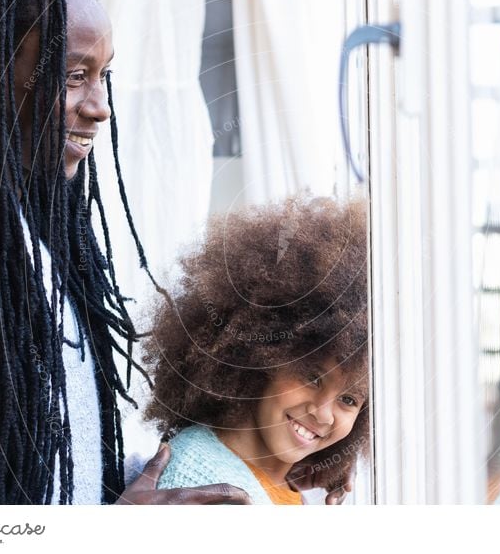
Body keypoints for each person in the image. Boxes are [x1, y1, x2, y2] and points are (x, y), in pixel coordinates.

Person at [0, 0, 253, 505]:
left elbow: (76, 463)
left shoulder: (23, 226)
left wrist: (270, 448)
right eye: (75, 76)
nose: (100, 106)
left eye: (104, 75)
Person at [143, 197, 369, 504]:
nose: (324, 413)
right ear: (261, 353)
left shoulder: (278, 487)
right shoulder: (204, 483)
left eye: (349, 400)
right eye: (313, 377)